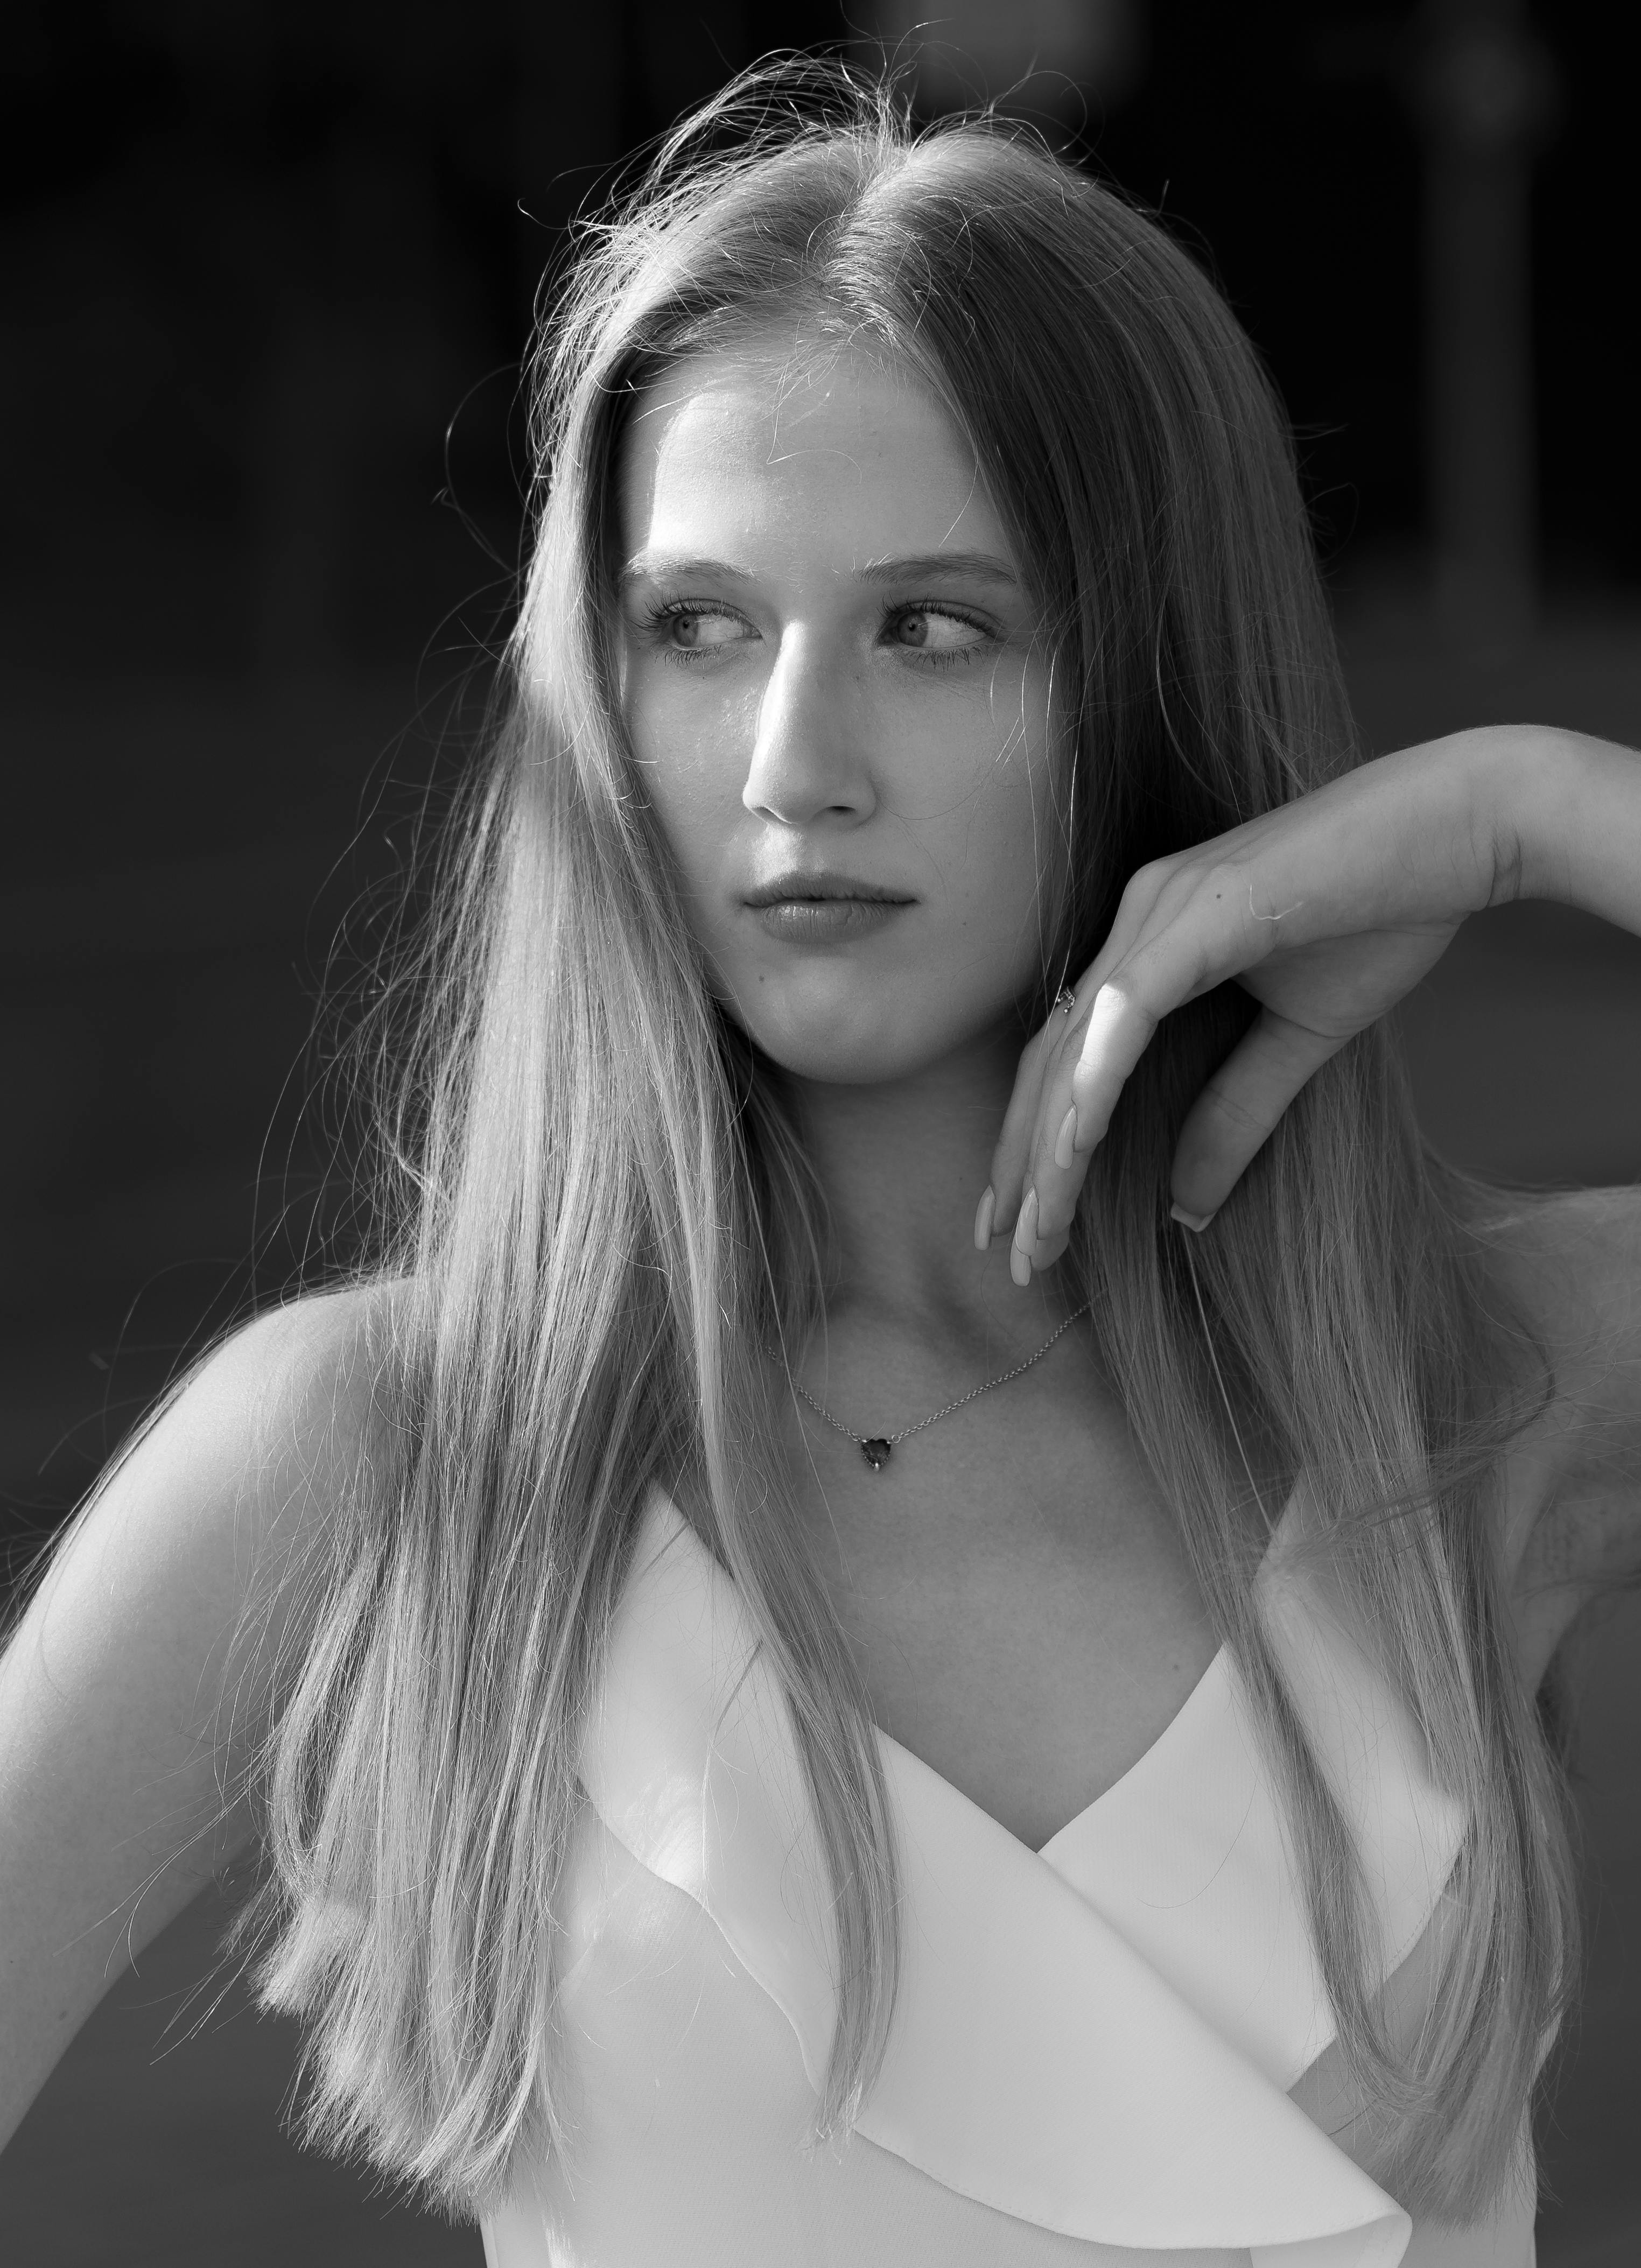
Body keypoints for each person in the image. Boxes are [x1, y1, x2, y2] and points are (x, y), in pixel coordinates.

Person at [3, 53, 1640, 2268]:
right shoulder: (398, 1457)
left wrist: (1536, 807)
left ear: (1147, 678)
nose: (796, 764)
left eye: (931, 626)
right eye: (701, 629)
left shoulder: (1475, 1392)